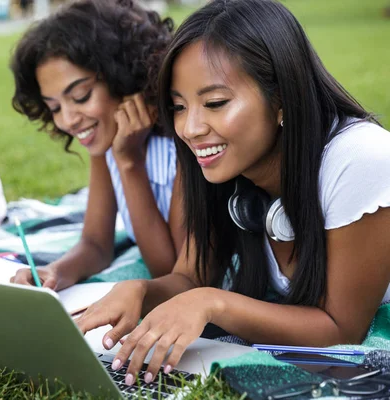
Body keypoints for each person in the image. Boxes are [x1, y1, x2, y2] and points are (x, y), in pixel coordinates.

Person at [76, 0, 390, 387]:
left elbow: (340, 331)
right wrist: (141, 291)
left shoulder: (360, 159)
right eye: (178, 107)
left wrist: (213, 302)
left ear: (281, 98)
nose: (189, 128)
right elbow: (190, 277)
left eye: (215, 103)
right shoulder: (220, 167)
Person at [9, 0, 184, 291]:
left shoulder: (183, 143)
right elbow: (96, 243)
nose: (67, 120)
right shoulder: (106, 140)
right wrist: (55, 272)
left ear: (123, 78)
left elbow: (168, 270)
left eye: (80, 96)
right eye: (53, 107)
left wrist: (129, 161)